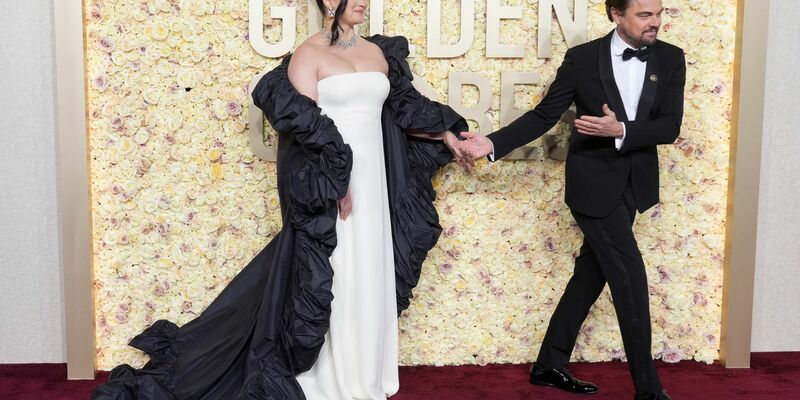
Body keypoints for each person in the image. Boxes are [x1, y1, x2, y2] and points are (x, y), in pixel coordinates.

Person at [92, 0, 468, 399]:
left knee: (371, 268)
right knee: (334, 272)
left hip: (376, 180)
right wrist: (333, 182)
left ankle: (367, 374)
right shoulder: (308, 55)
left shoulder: (377, 52)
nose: (362, 1)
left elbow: (402, 110)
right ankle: (329, 378)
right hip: (333, 183)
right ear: (327, 2)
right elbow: (304, 131)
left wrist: (445, 133)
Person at [458, 1, 684, 399]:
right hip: (592, 186)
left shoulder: (670, 58)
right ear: (616, 13)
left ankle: (549, 364)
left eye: (659, 13)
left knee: (591, 274)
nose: (656, 22)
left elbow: (669, 126)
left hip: (635, 185)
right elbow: (544, 115)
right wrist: (492, 142)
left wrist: (621, 130)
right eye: (644, 15)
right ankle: (649, 391)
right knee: (630, 277)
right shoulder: (582, 59)